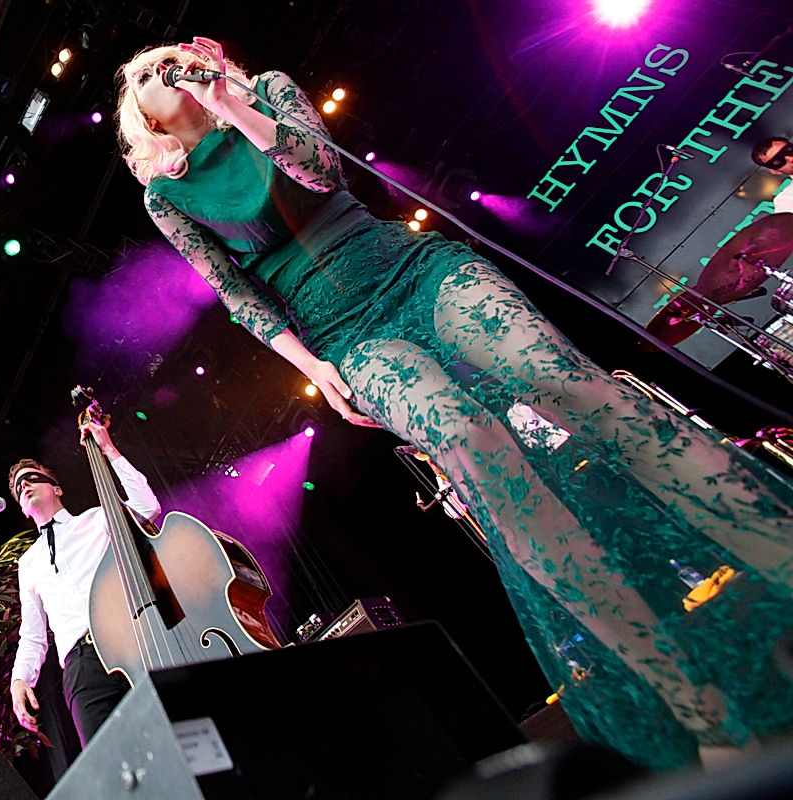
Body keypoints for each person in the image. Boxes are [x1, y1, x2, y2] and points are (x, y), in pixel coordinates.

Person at [115, 37, 793, 770]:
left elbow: (318, 170)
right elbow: (237, 292)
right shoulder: (165, 198)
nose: (165, 70)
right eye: (148, 74)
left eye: (169, 57)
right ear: (145, 122)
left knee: (575, 388)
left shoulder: (266, 91)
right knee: (482, 461)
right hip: (347, 334)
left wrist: (231, 105)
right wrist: (310, 364)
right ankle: (695, 703)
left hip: (414, 270)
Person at [8, 422, 161, 748]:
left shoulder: (98, 518)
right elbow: (33, 634)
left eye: (33, 478)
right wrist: (20, 679)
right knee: (109, 760)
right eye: (19, 488)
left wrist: (108, 449)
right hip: (81, 666)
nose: (26, 486)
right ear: (22, 509)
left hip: (131, 639)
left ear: (57, 488)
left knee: (164, 734)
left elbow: (148, 508)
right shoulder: (28, 564)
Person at [751, 136, 793, 213]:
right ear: (775, 171)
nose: (791, 159)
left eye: (790, 151)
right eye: (779, 161)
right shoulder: (787, 201)